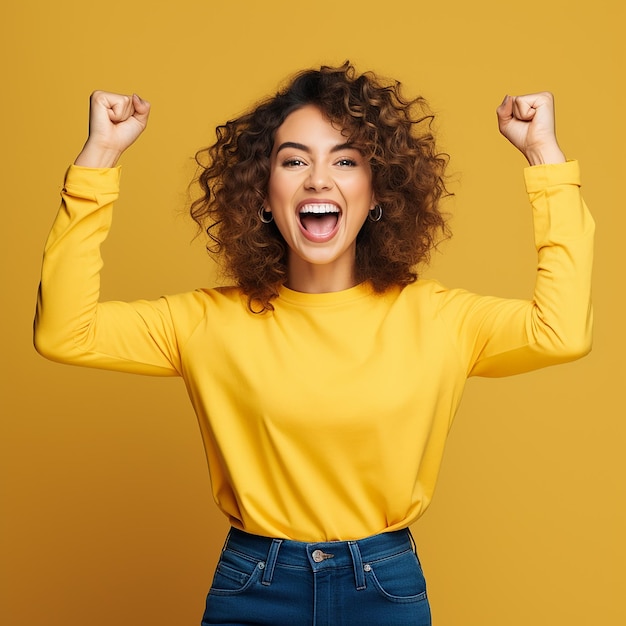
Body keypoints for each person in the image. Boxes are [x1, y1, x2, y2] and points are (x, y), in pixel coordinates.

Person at [34, 63, 594, 625]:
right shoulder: (206, 321)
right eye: (295, 160)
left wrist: (543, 156)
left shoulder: (439, 317)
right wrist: (100, 155)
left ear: (376, 192)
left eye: (345, 161)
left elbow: (561, 332)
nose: (319, 180)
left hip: (385, 587)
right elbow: (65, 331)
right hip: (253, 584)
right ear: (262, 193)